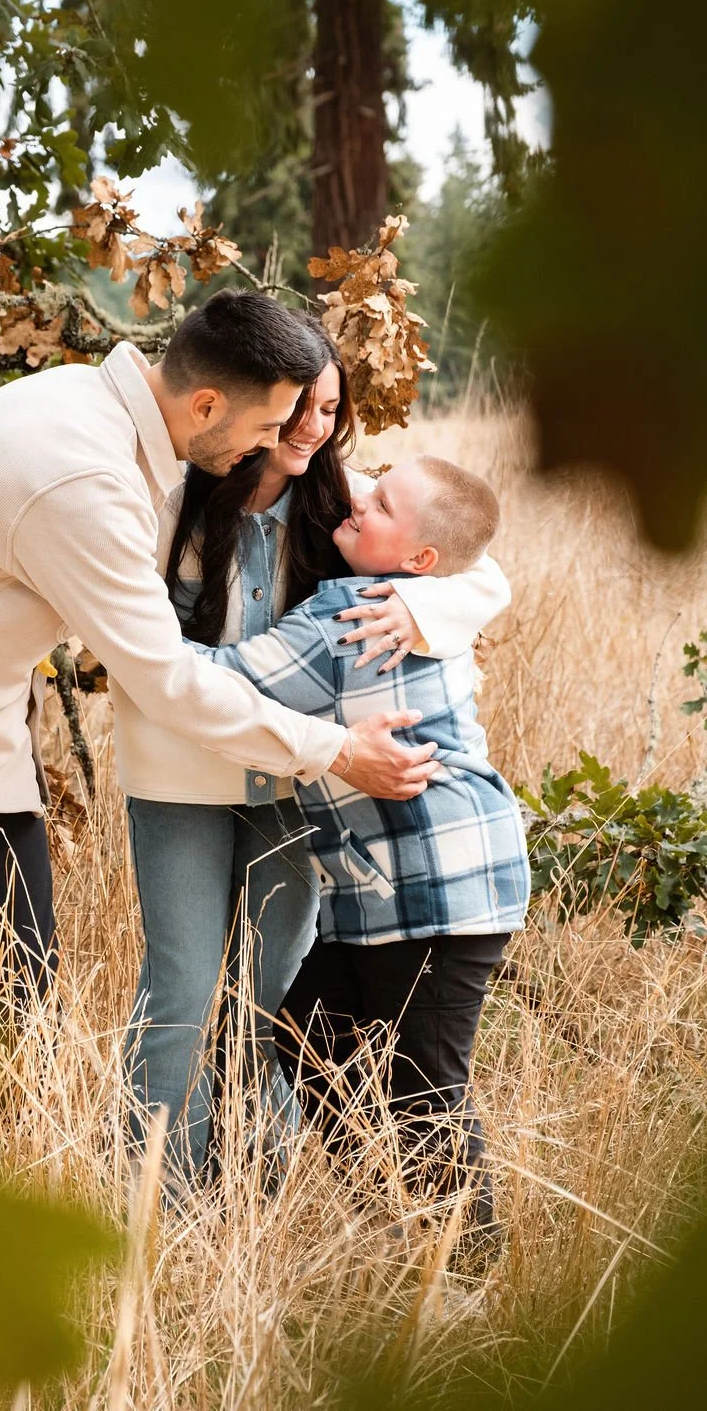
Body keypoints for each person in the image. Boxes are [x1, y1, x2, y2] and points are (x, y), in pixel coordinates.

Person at [0, 290, 443, 1003]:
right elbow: (166, 679)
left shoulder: (94, 405)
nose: (271, 445)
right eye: (269, 424)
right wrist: (336, 751)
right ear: (209, 406)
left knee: (22, 973)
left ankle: (10, 1114)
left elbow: (442, 532)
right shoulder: (85, 478)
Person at [113, 332, 512, 1186]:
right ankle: (163, 1195)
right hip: (187, 776)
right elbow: (139, 637)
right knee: (185, 989)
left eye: (331, 409)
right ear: (257, 398)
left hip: (299, 783)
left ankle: (262, 1180)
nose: (314, 428)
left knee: (275, 997)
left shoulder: (340, 502)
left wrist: (419, 607)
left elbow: (476, 562)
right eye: (300, 406)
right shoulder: (169, 491)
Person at [193, 456, 530, 1247]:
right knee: (307, 1029)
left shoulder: (353, 612)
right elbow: (464, 549)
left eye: (380, 503)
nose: (358, 498)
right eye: (371, 483)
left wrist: (123, 630)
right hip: (401, 890)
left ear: (418, 562)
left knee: (425, 1088)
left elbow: (225, 679)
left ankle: (463, 1281)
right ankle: (403, 1226)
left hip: (441, 888)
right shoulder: (415, 597)